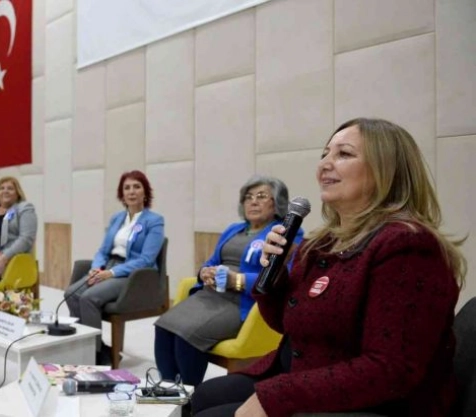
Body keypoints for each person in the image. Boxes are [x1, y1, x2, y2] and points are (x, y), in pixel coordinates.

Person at [191, 118, 466, 417]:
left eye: (344, 154)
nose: (324, 164)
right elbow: (285, 324)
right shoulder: (322, 243)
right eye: (324, 154)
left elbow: (392, 369)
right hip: (307, 371)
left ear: (386, 170)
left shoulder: (407, 247)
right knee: (203, 397)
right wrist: (275, 277)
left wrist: (278, 396)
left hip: (377, 403)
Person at [153, 175, 303, 387]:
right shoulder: (234, 229)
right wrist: (204, 272)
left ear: (276, 202)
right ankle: (169, 390)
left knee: (186, 334)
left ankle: (188, 395)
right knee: (164, 326)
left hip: (242, 302)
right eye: (248, 197)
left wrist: (238, 280)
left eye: (261, 196)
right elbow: (212, 260)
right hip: (209, 296)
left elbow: (285, 276)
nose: (253, 202)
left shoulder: (284, 233)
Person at [65, 170, 165, 365]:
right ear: (122, 194)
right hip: (108, 266)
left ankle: (94, 356)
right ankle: (95, 348)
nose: (131, 191)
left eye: (137, 187)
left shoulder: (154, 221)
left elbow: (146, 259)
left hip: (132, 275)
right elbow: (103, 250)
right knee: (71, 293)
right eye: (127, 188)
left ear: (145, 192)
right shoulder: (117, 219)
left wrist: (111, 273)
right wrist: (96, 268)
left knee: (88, 298)